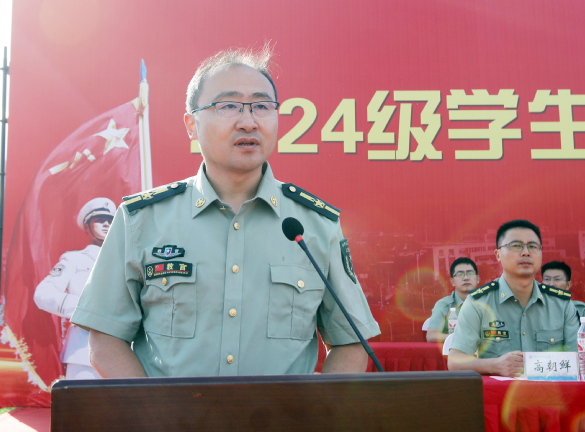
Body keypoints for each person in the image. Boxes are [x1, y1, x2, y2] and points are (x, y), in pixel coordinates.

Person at [70, 47, 380, 378]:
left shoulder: (314, 225)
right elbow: (105, 339)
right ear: (192, 124)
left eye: (262, 106)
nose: (248, 122)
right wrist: (154, 409)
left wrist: (316, 409)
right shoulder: (141, 220)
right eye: (228, 106)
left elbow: (351, 343)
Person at [448, 219, 579, 377]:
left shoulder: (562, 304)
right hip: (499, 392)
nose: (526, 252)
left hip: (550, 391)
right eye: (516, 246)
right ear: (498, 254)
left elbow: (578, 359)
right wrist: (495, 365)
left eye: (533, 246)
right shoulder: (478, 303)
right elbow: (455, 361)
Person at [34, 198, 116, 380]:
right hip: (83, 351)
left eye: (110, 221)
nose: (106, 224)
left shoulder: (124, 261)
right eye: (99, 220)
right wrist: (86, 308)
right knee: (82, 399)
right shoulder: (74, 259)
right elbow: (43, 294)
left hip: (122, 352)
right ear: (86, 227)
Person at [426, 257, 480, 342]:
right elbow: (431, 335)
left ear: (477, 279)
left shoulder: (488, 301)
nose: (466, 278)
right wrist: (460, 337)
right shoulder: (444, 305)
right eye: (460, 274)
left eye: (470, 273)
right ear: (452, 282)